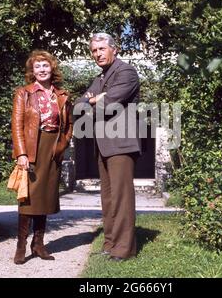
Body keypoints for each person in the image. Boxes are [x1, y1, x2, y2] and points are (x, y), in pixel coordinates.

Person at [75, 33, 141, 261]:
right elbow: (78, 105)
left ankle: (124, 250)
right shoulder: (101, 77)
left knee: (121, 198)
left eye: (102, 49)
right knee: (108, 198)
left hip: (121, 143)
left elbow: (110, 104)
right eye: (94, 50)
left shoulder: (126, 72)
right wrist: (93, 99)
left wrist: (95, 100)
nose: (97, 54)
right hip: (103, 145)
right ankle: (111, 243)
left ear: (115, 49)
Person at [11, 50, 73, 265]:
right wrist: (21, 153)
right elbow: (17, 126)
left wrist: (62, 145)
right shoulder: (24, 93)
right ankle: (21, 246)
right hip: (32, 148)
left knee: (45, 196)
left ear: (52, 68)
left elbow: (69, 125)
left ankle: (38, 244)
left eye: (45, 66)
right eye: (37, 67)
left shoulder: (61, 95)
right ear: (32, 71)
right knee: (28, 198)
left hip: (53, 149)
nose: (42, 70)